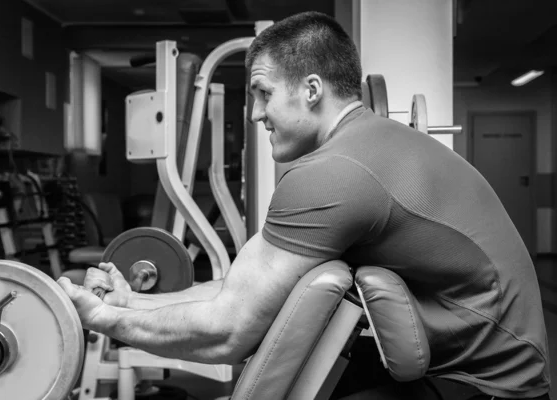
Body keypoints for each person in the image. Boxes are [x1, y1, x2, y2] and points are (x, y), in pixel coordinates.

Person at [58, 11, 551, 400]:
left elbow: (228, 331)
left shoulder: (335, 173)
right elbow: (238, 290)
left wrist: (104, 320)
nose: (254, 114)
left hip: (488, 386)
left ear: (312, 89)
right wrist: (130, 303)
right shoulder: (363, 147)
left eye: (263, 94)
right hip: (482, 367)